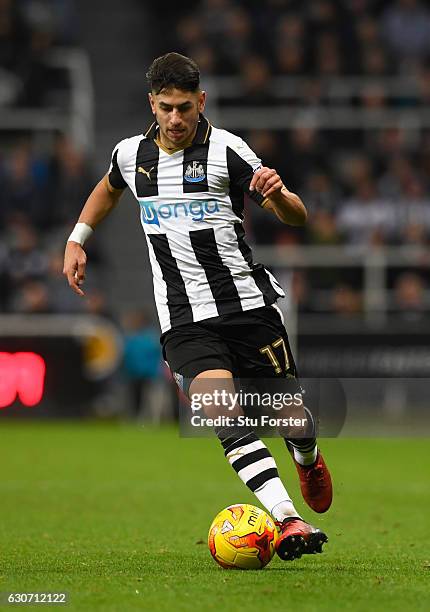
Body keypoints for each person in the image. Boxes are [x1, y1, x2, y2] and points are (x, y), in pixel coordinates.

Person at [63, 52, 332, 561]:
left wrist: (279, 196)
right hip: (183, 320)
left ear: (201, 101)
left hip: (247, 309)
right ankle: (287, 518)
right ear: (152, 103)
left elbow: (296, 216)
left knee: (292, 417)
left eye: (185, 107)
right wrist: (78, 237)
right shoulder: (130, 155)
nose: (176, 119)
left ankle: (308, 456)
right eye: (166, 108)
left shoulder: (230, 152)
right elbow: (108, 188)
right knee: (220, 410)